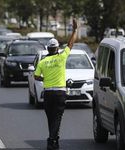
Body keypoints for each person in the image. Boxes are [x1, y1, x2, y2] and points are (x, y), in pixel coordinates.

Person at [34, 19, 78, 150]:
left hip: (48, 93)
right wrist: (75, 30)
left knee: (51, 118)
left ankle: (54, 140)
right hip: (60, 93)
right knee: (57, 118)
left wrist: (45, 79)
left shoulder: (42, 62)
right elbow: (70, 44)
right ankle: (51, 140)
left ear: (48, 49)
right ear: (57, 48)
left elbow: (36, 76)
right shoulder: (61, 57)